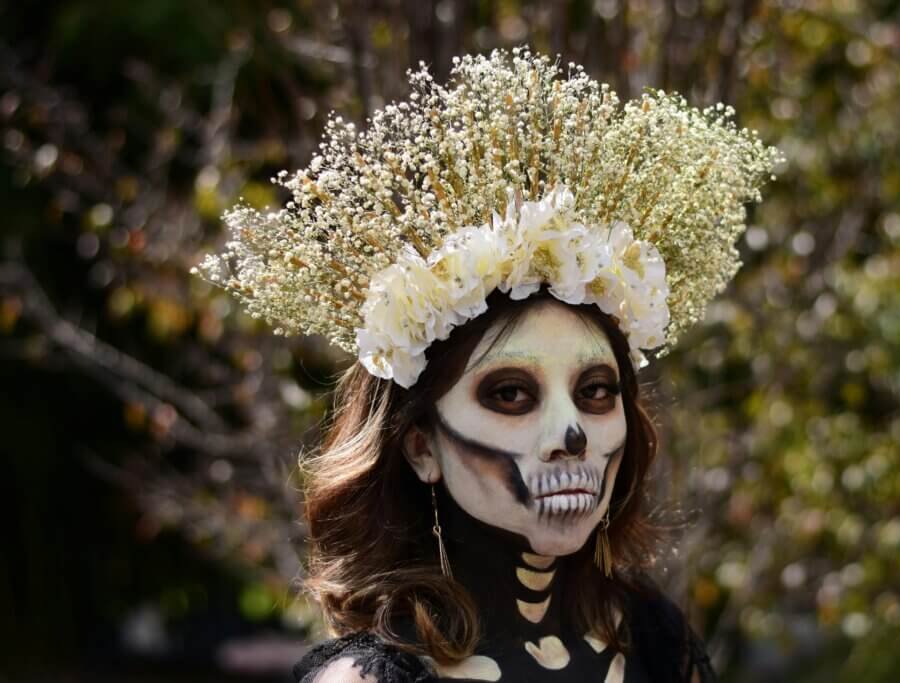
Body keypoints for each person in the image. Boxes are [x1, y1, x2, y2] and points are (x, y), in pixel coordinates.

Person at [193, 46, 782, 682]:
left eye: (595, 391)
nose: (571, 435)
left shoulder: (653, 644)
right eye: (509, 394)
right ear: (420, 446)